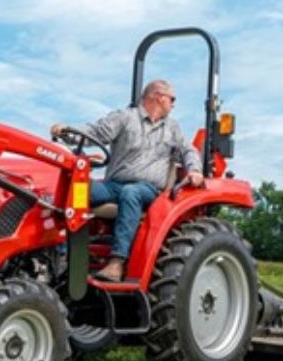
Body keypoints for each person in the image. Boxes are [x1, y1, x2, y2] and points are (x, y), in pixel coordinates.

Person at [51, 78, 203, 282]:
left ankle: (117, 263)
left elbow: (188, 150)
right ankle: (61, 255)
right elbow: (95, 133)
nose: (174, 104)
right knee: (77, 190)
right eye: (172, 99)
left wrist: (194, 170)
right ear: (159, 97)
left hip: (148, 189)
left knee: (131, 193)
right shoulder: (125, 118)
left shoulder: (172, 128)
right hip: (114, 185)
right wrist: (68, 132)